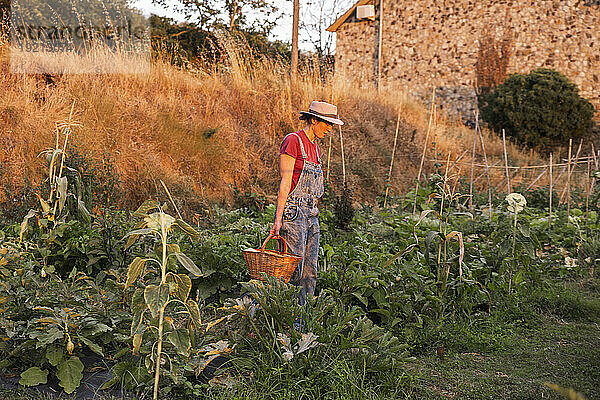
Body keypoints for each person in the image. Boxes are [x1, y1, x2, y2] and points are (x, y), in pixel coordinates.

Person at [269, 101, 343, 305]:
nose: (329, 129)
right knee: (293, 270)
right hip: (294, 213)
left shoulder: (316, 150)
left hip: (312, 213)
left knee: (310, 272)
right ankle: (284, 315)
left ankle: (303, 320)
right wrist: (278, 221)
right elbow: (285, 184)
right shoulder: (293, 141)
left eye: (331, 125)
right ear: (313, 120)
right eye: (326, 124)